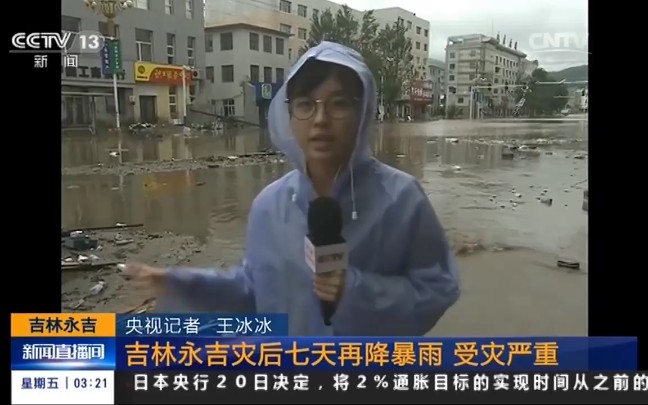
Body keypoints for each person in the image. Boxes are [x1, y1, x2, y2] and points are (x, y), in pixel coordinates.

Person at [125, 41, 460, 336]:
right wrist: (179, 283)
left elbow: (436, 289)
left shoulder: (402, 199)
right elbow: (254, 289)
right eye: (305, 105)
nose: (320, 120)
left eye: (339, 103)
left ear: (364, 110)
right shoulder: (270, 206)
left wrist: (355, 289)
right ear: (288, 114)